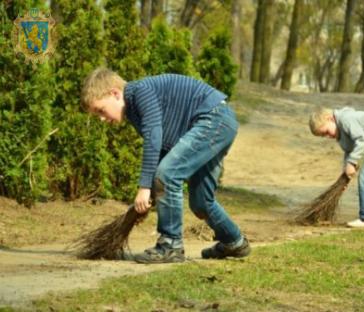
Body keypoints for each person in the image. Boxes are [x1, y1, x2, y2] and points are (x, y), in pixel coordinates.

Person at [81, 68, 250, 263]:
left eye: (100, 110)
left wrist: (144, 187)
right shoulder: (134, 109)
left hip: (213, 120)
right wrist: (152, 193)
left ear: (115, 93)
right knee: (201, 202)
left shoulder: (139, 92)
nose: (102, 119)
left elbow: (154, 139)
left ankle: (170, 245)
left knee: (167, 175)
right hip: (219, 122)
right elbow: (163, 148)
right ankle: (234, 242)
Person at [309, 106, 364, 228]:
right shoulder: (340, 133)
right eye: (323, 136)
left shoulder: (346, 119)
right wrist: (346, 174)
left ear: (329, 118)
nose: (328, 137)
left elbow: (361, 140)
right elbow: (350, 151)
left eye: (326, 132)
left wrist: (351, 163)